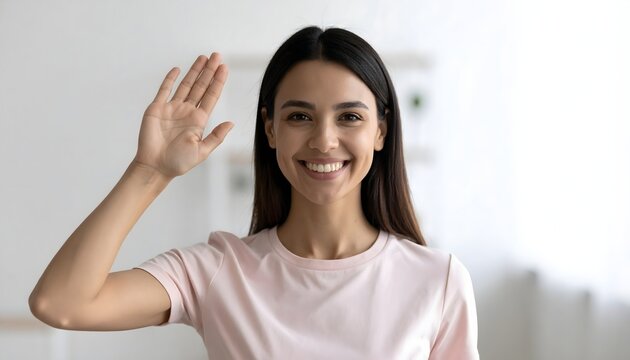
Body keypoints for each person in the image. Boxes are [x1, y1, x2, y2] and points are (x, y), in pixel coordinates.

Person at [29, 26, 479, 359]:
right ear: (270, 129)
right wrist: (149, 171)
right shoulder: (217, 271)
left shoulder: (437, 281)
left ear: (380, 132)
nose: (324, 140)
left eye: (350, 117)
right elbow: (61, 303)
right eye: (300, 117)